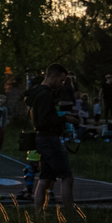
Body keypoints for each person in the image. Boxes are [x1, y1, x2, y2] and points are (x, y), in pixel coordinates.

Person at [28, 63, 80, 209]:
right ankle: (69, 212)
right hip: (49, 139)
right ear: (53, 77)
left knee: (45, 179)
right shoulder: (46, 94)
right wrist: (64, 119)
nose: (62, 84)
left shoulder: (37, 92)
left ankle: (39, 214)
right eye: (61, 80)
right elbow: (46, 120)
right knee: (67, 177)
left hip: (42, 139)